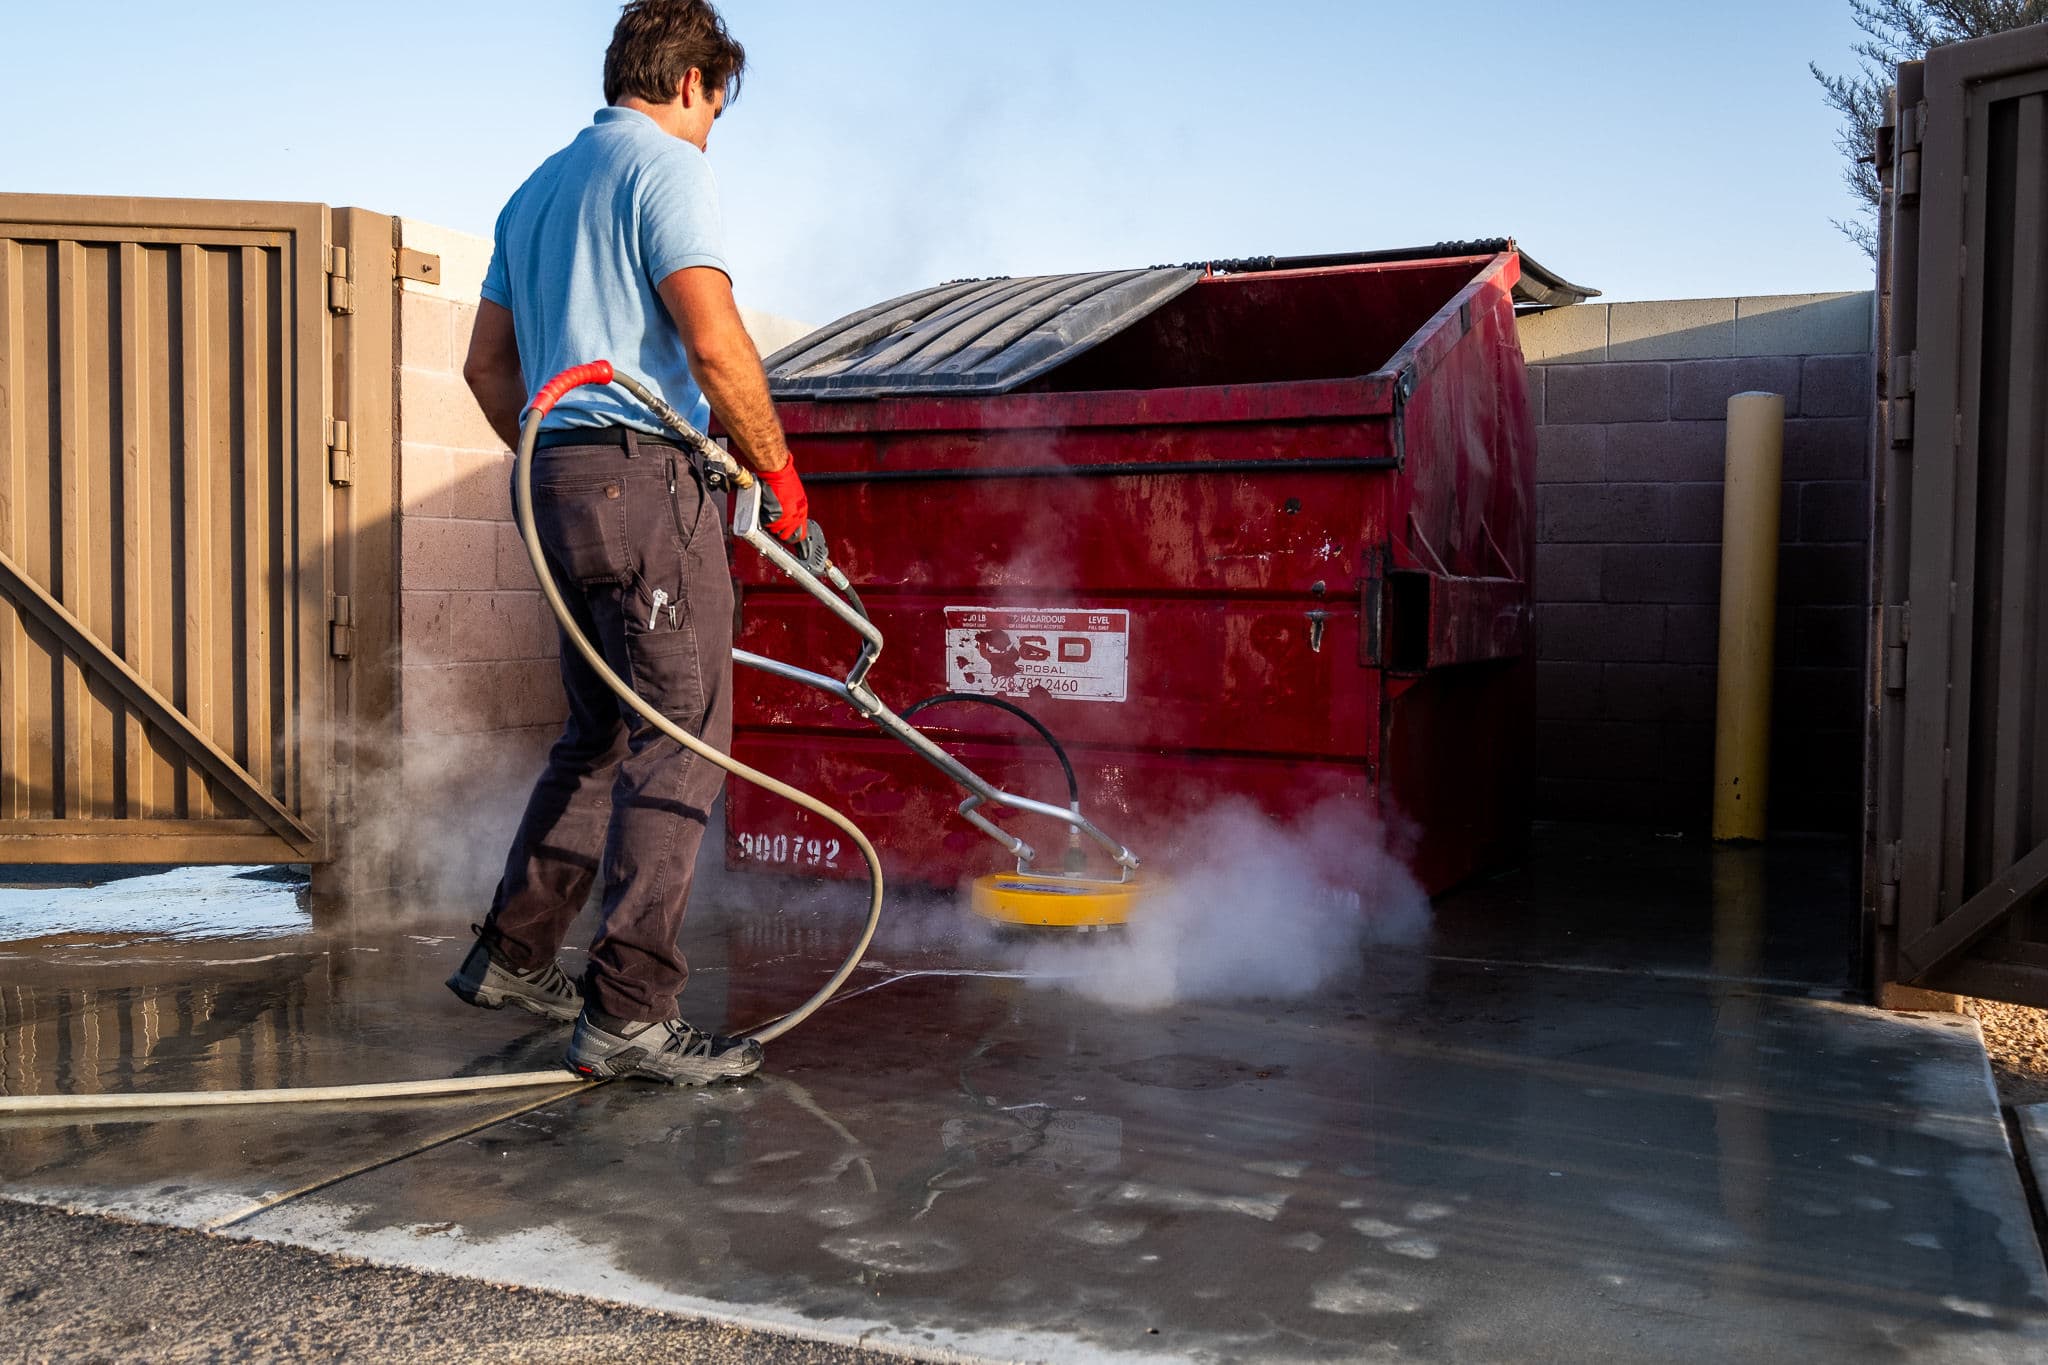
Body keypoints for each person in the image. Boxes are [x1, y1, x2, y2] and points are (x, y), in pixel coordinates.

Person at [445, 0, 809, 1087]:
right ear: (694, 81)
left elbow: (482, 371)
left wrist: (551, 452)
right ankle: (630, 1013)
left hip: (549, 477)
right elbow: (712, 339)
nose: (712, 127)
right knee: (678, 740)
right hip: (645, 481)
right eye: (716, 105)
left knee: (600, 733)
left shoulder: (535, 189)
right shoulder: (667, 168)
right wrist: (782, 480)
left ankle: (514, 953)